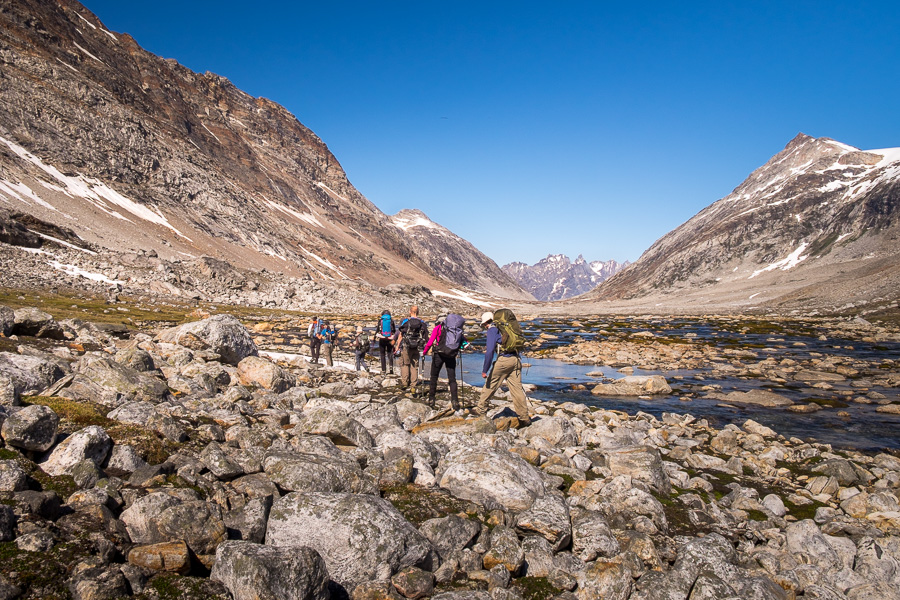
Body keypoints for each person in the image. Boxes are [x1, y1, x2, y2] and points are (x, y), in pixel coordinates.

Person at [475, 311, 530, 425]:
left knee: (490, 384)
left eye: (484, 325)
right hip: (516, 359)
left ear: (486, 323)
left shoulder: (492, 330)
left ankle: (480, 410)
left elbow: (489, 351)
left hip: (504, 361)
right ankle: (524, 417)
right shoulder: (505, 327)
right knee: (517, 389)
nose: (484, 327)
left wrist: (485, 369)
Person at [424, 313, 466, 411]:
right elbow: (464, 342)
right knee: (452, 378)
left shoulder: (438, 328)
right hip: (451, 355)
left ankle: (431, 399)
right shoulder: (456, 330)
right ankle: (455, 401)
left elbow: (430, 342)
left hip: (439, 354)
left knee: (434, 377)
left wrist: (425, 352)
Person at [396, 306, 429, 395]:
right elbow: (426, 336)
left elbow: (401, 335)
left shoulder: (406, 322)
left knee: (405, 364)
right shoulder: (422, 323)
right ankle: (413, 385)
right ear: (418, 312)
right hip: (417, 347)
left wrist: (397, 346)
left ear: (410, 312)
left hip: (407, 346)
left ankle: (404, 383)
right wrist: (426, 348)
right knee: (414, 365)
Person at [375, 310, 397, 374]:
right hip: (390, 339)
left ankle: (383, 369)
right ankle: (391, 367)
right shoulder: (391, 321)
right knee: (390, 353)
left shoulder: (381, 320)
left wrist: (375, 336)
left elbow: (377, 330)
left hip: (382, 339)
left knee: (382, 354)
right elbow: (394, 330)